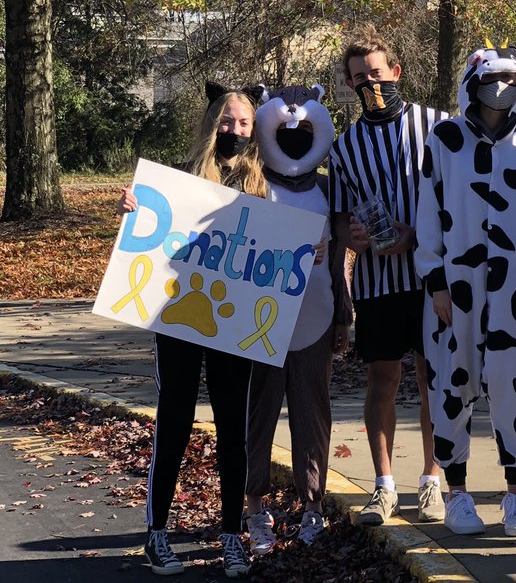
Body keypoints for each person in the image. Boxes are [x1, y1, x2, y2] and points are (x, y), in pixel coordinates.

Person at [414, 44, 516, 537]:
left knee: (512, 382)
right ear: (472, 83)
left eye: (509, 80)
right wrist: (435, 279)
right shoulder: (445, 139)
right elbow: (428, 211)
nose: (500, 89)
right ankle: (457, 494)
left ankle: (515, 497)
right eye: (491, 79)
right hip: (456, 282)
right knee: (453, 384)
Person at [118, 82, 266, 577]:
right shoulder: (179, 179)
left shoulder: (262, 186)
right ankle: (156, 533)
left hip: (234, 321)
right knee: (175, 418)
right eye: (227, 121)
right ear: (210, 124)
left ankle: (230, 536)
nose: (235, 130)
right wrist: (133, 212)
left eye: (243, 123)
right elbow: (153, 228)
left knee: (231, 428)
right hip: (177, 314)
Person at [327, 26, 447, 526]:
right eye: (358, 78)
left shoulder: (440, 129)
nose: (369, 84)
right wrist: (352, 245)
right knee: (382, 378)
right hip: (377, 280)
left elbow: (457, 203)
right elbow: (338, 220)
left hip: (430, 277)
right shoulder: (343, 147)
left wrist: (416, 234)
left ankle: (433, 479)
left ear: (396, 72)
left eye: (376, 73)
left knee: (433, 378)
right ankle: (383, 485)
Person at [242, 84, 352, 553]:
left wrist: (345, 314)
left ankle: (312, 506)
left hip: (316, 314)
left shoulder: (328, 188)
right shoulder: (250, 182)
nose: (294, 135)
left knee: (313, 413)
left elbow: (339, 258)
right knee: (258, 412)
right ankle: (254, 507)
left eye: (305, 128)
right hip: (257, 320)